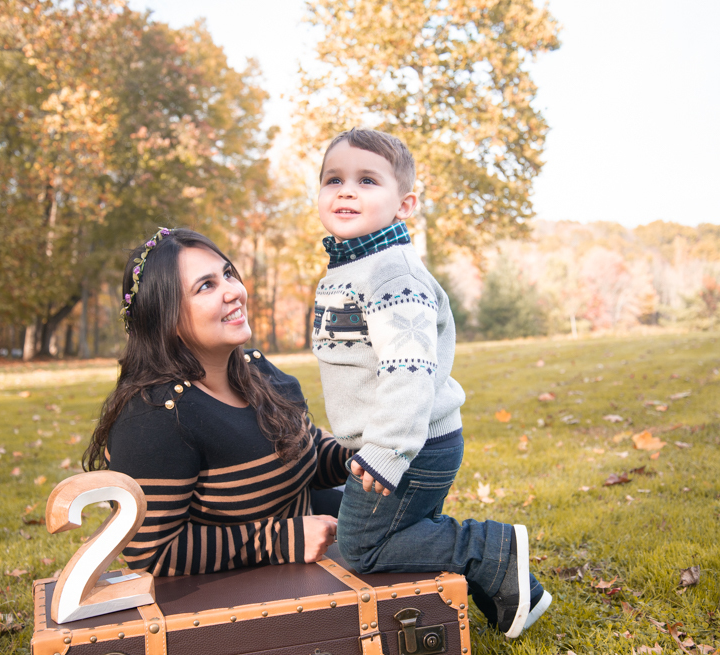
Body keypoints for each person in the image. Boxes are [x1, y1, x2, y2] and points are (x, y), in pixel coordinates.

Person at [312, 128, 551, 638]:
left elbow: (408, 370)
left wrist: (387, 449)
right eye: (333, 179)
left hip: (408, 445)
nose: (346, 190)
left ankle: (488, 549)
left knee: (362, 549)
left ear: (404, 204)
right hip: (400, 443)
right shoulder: (352, 268)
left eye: (367, 180)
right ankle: (514, 592)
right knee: (406, 537)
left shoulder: (393, 275)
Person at [83, 228, 350, 576]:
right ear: (166, 318)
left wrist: (361, 451)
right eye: (205, 286)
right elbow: (153, 554)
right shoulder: (155, 418)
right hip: (243, 597)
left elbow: (307, 452)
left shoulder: (256, 370)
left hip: (317, 556)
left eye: (227, 274)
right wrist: (280, 540)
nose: (233, 291)